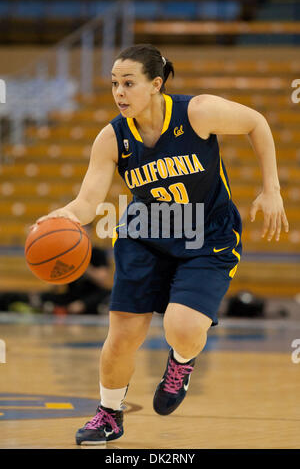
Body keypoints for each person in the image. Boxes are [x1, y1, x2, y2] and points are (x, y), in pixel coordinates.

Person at [33, 44, 289, 445]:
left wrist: (270, 188)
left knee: (182, 328)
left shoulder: (197, 112)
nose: (119, 92)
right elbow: (87, 202)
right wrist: (63, 216)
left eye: (128, 83)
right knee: (121, 337)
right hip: (145, 234)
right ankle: (109, 415)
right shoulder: (112, 137)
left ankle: (182, 363)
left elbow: (257, 122)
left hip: (207, 236)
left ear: (156, 84)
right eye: (114, 83)